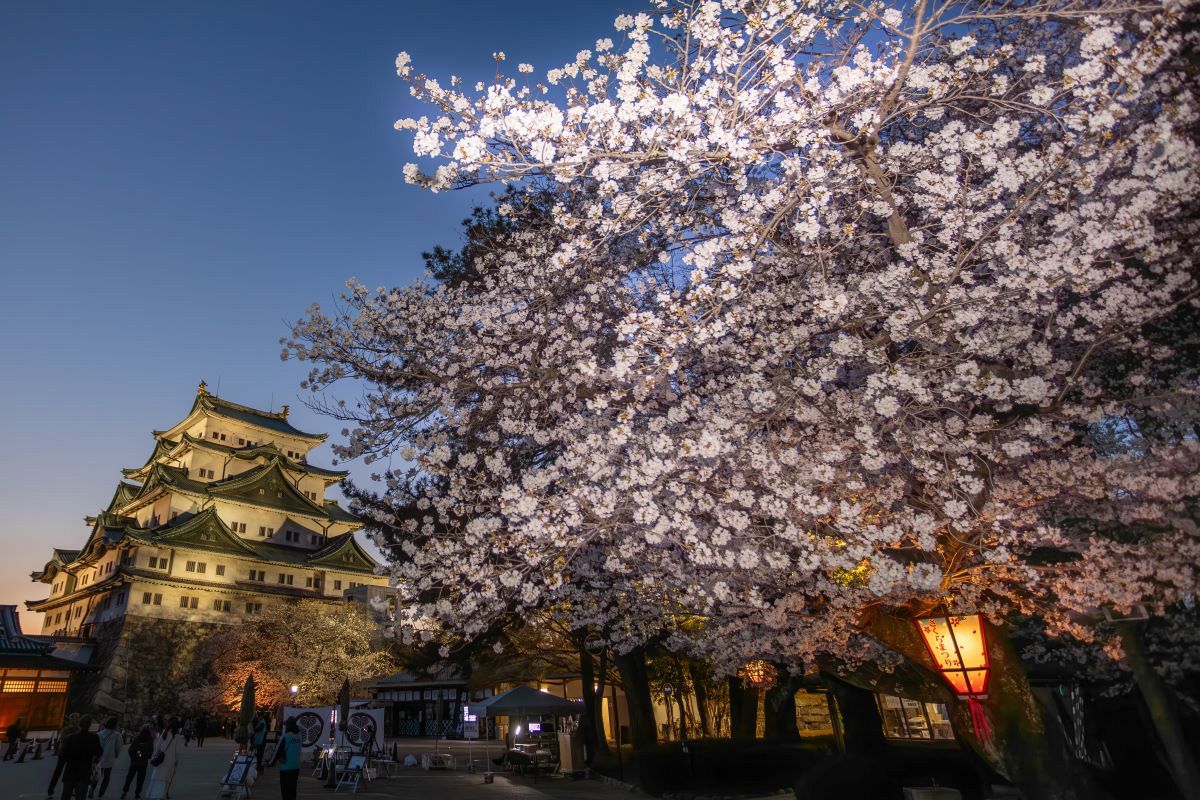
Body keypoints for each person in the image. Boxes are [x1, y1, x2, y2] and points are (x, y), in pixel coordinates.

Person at [58, 716, 101, 800]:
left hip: (70, 771)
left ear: (79, 724)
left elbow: (62, 755)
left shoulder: (70, 738)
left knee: (65, 796)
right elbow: (99, 753)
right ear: (89, 726)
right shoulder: (94, 738)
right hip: (84, 773)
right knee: (81, 796)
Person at [142, 717, 180, 800]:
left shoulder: (164, 733)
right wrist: (176, 761)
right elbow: (177, 751)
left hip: (161, 758)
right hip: (170, 759)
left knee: (157, 776)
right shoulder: (177, 737)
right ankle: (162, 795)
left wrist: (158, 753)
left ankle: (153, 794)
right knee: (166, 778)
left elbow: (157, 745)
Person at [48, 713, 82, 798]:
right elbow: (62, 740)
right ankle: (51, 788)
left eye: (76, 718)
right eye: (74, 718)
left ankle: (53, 789)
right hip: (68, 753)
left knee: (63, 772)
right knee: (61, 771)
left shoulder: (75, 729)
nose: (75, 720)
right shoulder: (70, 730)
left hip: (66, 753)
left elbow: (61, 740)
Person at [90, 717, 123, 799]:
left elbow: (94, 746)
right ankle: (101, 792)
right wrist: (116, 754)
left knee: (96, 775)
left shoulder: (99, 734)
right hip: (109, 758)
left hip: (99, 758)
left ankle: (91, 790)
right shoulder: (117, 735)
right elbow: (119, 747)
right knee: (107, 776)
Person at [119, 725, 153, 800]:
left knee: (129, 778)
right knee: (140, 779)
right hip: (143, 763)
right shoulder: (150, 740)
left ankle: (125, 792)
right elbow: (150, 753)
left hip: (134, 762)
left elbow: (130, 750)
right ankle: (137, 794)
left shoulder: (137, 738)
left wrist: (135, 757)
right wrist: (143, 756)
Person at [273, 717, 302, 800]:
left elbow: (278, 751)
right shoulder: (299, 736)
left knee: (285, 791)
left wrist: (271, 762)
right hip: (296, 766)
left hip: (285, 767)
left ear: (288, 726)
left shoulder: (286, 737)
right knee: (293, 790)